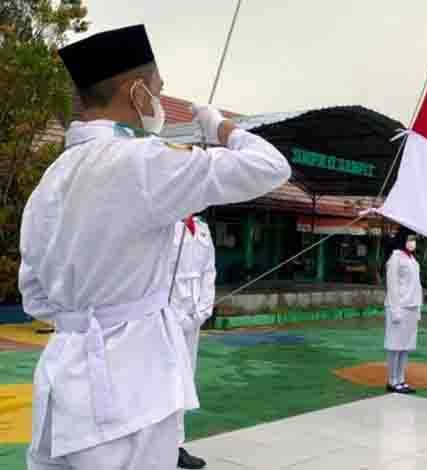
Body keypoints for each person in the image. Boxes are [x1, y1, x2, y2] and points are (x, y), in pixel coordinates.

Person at [19, 24, 291, 470]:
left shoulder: (50, 181)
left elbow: (33, 294)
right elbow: (269, 166)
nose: (161, 103)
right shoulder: (142, 162)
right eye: (158, 91)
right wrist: (218, 126)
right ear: (136, 91)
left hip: (60, 383)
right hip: (129, 394)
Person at [170, 216, 216, 469]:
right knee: (163, 380)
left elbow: (209, 271)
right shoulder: (164, 223)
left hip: (193, 315)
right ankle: (156, 445)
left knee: (185, 379)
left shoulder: (202, 229)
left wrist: (204, 308)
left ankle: (175, 444)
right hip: (166, 316)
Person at [384, 228, 422, 394]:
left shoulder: (413, 260)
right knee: (395, 346)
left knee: (405, 346)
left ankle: (401, 379)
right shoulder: (395, 258)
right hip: (398, 306)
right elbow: (392, 285)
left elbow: (417, 286)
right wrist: (395, 309)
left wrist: (418, 308)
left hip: (412, 307)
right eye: (409, 239)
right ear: (402, 239)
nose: (412, 242)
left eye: (414, 239)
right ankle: (392, 381)